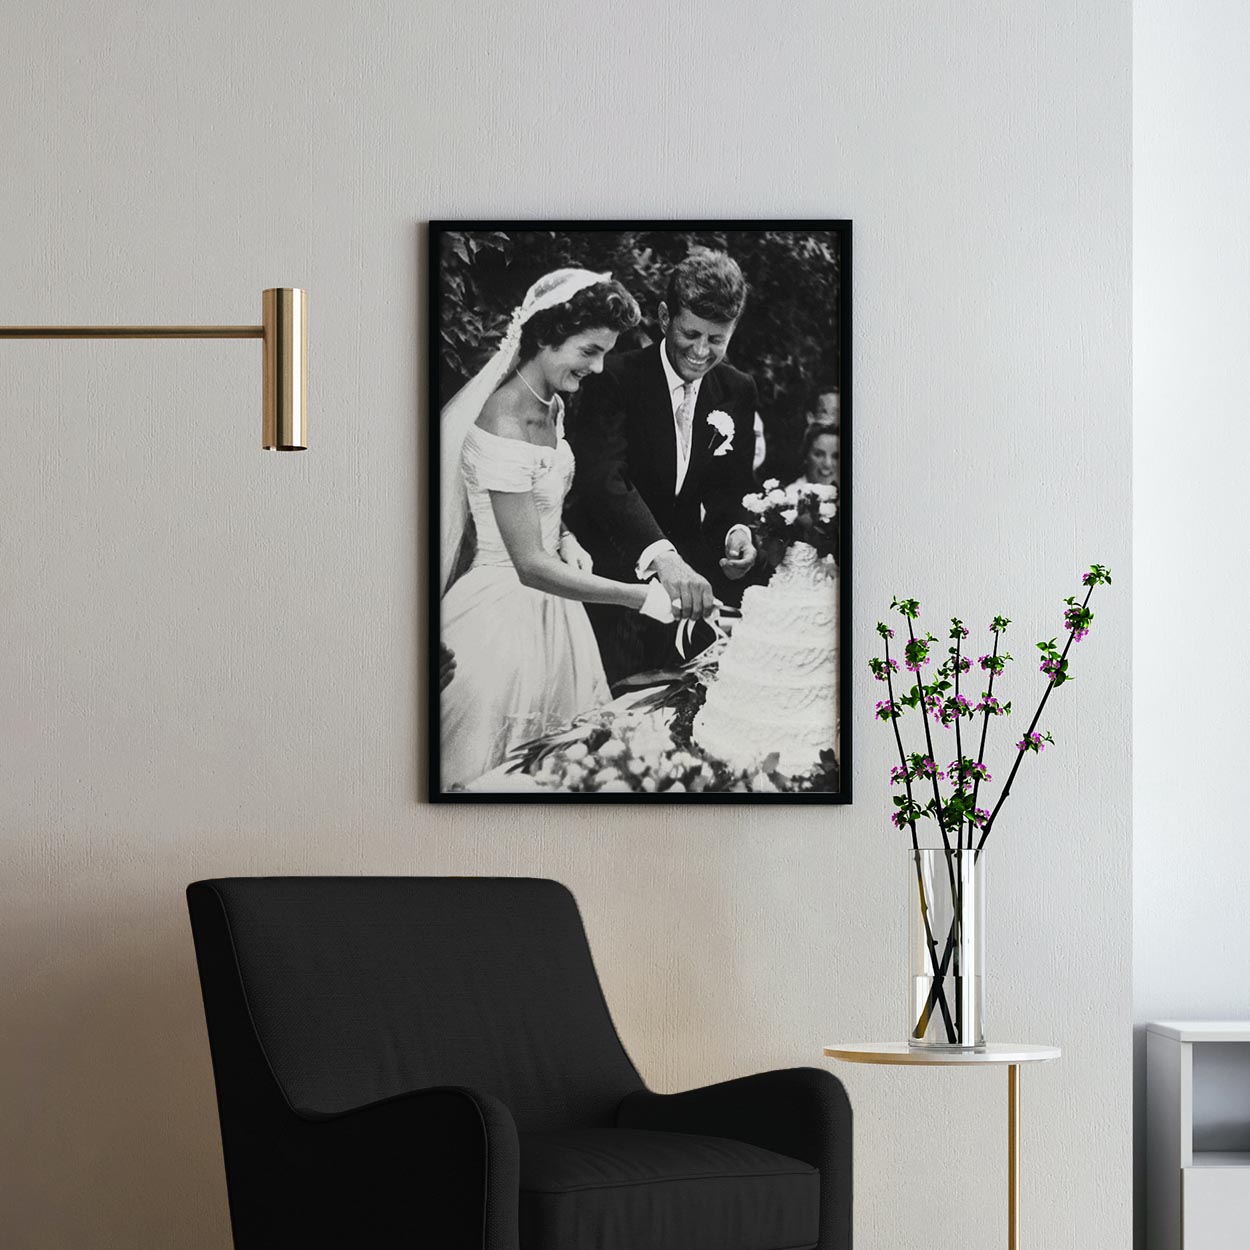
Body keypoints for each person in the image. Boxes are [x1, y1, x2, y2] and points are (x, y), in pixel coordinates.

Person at [438, 269, 673, 788]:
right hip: (503, 615)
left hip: (556, 606)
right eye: (589, 350)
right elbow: (527, 563)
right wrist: (638, 597)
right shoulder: (504, 422)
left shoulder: (552, 402)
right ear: (546, 336)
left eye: (606, 352)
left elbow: (537, 501)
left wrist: (564, 535)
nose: (599, 366)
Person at [565, 250, 759, 684]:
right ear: (665, 316)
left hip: (689, 600)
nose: (701, 351)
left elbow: (733, 491)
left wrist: (738, 534)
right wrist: (663, 560)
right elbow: (604, 480)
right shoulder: (612, 378)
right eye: (691, 333)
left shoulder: (737, 389)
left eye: (717, 339)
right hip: (612, 592)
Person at [789, 422, 840, 490]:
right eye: (819, 454)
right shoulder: (790, 497)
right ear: (805, 456)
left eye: (836, 456)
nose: (828, 464)